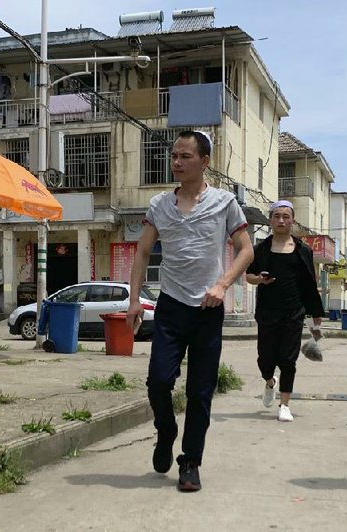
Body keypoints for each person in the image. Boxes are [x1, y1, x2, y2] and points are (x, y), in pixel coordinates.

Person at [125, 130, 254, 492]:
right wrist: (134, 300)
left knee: (200, 392)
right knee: (159, 382)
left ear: (204, 161)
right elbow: (143, 253)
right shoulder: (159, 206)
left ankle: (190, 462)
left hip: (207, 311)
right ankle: (165, 431)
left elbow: (246, 250)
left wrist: (223, 284)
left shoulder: (225, 203)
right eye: (174, 156)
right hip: (170, 307)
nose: (177, 163)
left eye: (185, 156)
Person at [245, 200, 325, 422]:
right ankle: (270, 382)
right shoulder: (260, 249)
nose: (281, 220)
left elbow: (309, 282)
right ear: (270, 220)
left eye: (285, 216)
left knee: (288, 360)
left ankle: (285, 405)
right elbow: (248, 276)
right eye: (277, 216)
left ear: (292, 220)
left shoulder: (303, 250)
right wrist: (259, 280)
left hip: (294, 312)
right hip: (267, 312)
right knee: (265, 360)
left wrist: (315, 314)